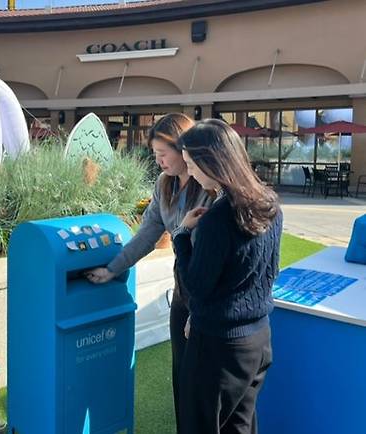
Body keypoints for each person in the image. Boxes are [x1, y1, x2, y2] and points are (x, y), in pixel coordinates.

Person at [85, 113, 213, 432]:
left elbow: (215, 258)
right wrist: (112, 269)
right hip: (182, 292)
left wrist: (199, 313)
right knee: (181, 374)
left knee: (206, 382)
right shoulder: (163, 185)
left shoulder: (210, 187)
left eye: (163, 154)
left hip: (209, 298)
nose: (158, 162)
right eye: (154, 154)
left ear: (184, 149)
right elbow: (146, 235)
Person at [171, 119, 282, 434]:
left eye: (192, 164)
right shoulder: (270, 204)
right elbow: (267, 270)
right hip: (258, 341)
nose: (190, 171)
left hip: (218, 347)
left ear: (212, 162)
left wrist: (182, 235)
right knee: (240, 427)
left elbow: (196, 286)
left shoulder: (217, 220)